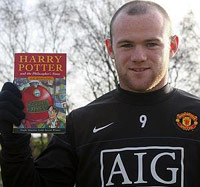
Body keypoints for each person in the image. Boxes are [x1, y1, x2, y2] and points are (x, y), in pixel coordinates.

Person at [0, 1, 200, 186]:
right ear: (110, 49)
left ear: (172, 46)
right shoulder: (80, 124)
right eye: (127, 45)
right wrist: (14, 143)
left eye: (151, 44)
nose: (139, 57)